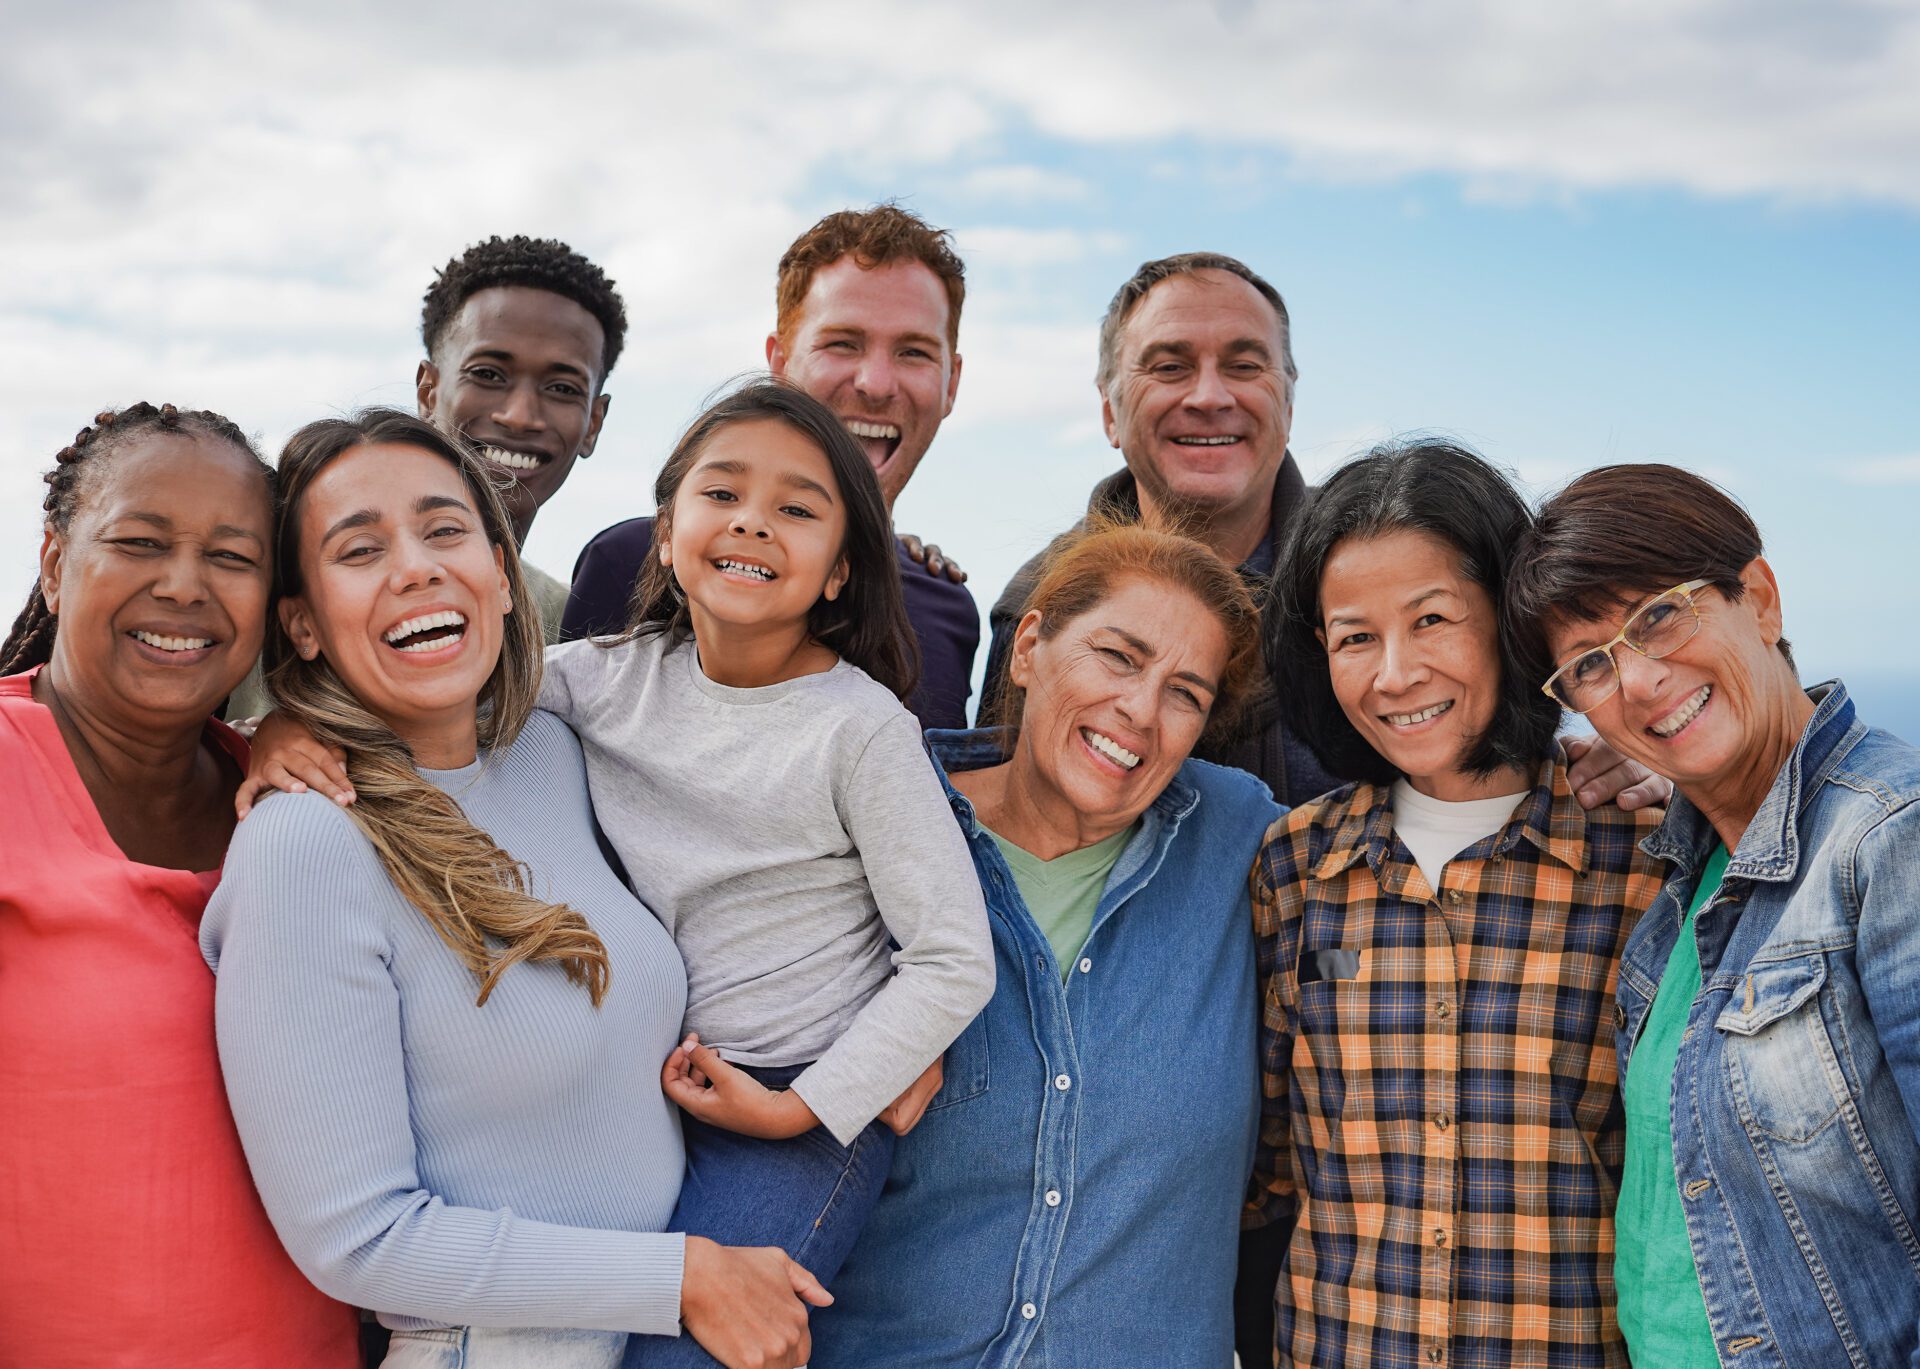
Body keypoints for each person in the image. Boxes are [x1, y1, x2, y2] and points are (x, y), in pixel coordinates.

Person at [204, 408, 831, 1369]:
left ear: (500, 573)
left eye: (444, 529)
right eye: (360, 550)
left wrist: (876, 1037)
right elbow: (358, 1239)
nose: (415, 567)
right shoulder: (304, 845)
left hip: (666, 1333)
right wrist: (678, 1277)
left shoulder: (552, 751)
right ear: (304, 623)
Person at [811, 521, 1281, 1368]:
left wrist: (1600, 763)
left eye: (1186, 693)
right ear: (1028, 646)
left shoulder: (1242, 839)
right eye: (1118, 655)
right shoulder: (874, 821)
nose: (1140, 710)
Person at [1249, 440, 1669, 1369]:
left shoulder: (1643, 858)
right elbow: (1270, 1157)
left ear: (1510, 619)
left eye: (1432, 618)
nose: (1394, 673)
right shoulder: (1294, 867)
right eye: (1356, 636)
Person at [1508, 464, 1920, 1369]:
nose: (1641, 680)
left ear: (1760, 599)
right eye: (1590, 665)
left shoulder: (1888, 839)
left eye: (1659, 613)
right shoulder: (1683, 878)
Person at [0, 402, 361, 1367]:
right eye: (140, 541)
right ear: (52, 562)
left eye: (234, 558)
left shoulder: (303, 803)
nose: (185, 585)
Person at [563, 204, 980, 729]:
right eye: (842, 344)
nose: (875, 382)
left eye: (914, 352)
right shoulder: (628, 564)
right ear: (780, 363)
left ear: (952, 383)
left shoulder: (948, 611)